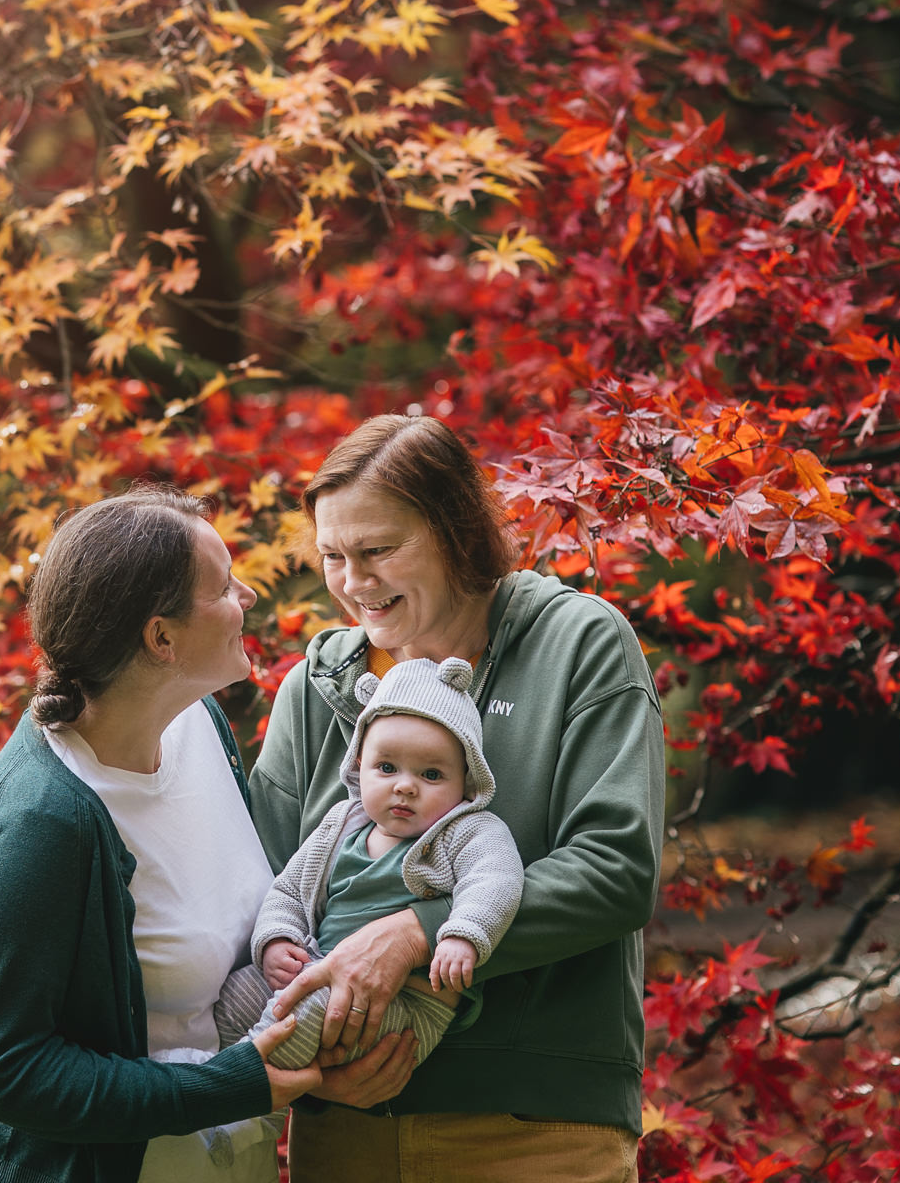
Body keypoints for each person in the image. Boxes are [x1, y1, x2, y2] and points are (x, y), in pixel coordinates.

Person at [0, 485, 417, 1183]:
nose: (249, 595)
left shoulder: (197, 726)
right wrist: (233, 1086)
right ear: (160, 639)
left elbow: (221, 1000)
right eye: (224, 586)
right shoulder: (43, 821)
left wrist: (302, 1067)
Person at [247, 414, 664, 1181]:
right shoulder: (317, 687)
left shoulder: (578, 644)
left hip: (534, 1126)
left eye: (378, 550)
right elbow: (259, 884)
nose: (353, 582)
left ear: (457, 532)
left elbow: (616, 870)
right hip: (343, 1121)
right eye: (335, 555)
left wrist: (418, 930)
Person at [215, 655, 522, 1071]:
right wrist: (277, 939)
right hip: (319, 963)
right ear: (360, 765)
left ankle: (244, 1075)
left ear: (466, 783)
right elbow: (288, 889)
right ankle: (226, 1093)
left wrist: (462, 935)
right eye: (387, 767)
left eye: (431, 775)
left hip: (407, 1004)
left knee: (307, 1012)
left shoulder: (467, 832)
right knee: (235, 995)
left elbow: (497, 880)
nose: (405, 786)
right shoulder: (341, 824)